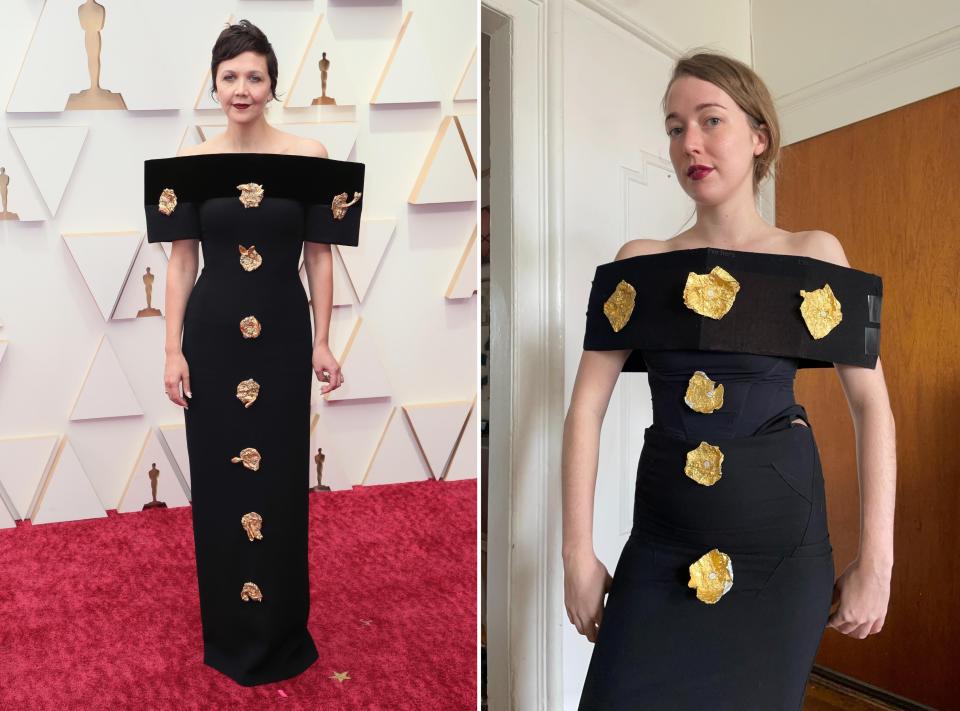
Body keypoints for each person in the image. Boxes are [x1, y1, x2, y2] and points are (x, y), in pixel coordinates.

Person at [563, 50, 895, 709]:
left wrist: (877, 561)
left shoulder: (813, 254)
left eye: (710, 120)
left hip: (781, 560)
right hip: (660, 549)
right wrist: (576, 551)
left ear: (758, 135)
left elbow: (872, 407)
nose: (690, 142)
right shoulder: (641, 263)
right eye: (674, 126)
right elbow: (585, 411)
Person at [143, 20, 365, 686]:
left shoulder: (310, 156)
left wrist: (324, 339)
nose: (242, 88)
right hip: (209, 341)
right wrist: (171, 349)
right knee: (217, 485)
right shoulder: (190, 164)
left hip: (282, 336)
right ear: (214, 83)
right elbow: (181, 265)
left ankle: (280, 632)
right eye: (230, 75)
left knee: (279, 480)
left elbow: (320, 260)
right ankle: (230, 634)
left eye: (255, 76)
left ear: (273, 84)